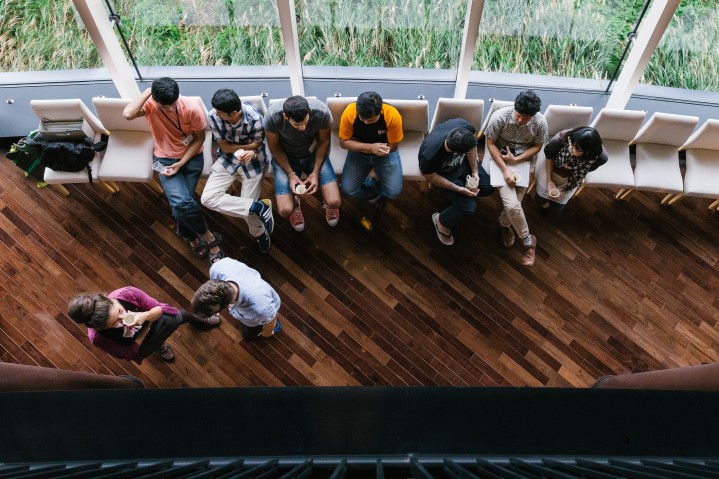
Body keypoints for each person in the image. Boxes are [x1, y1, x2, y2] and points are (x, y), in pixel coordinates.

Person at [123, 77, 225, 263]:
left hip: (191, 158)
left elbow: (199, 140)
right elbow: (128, 114)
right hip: (164, 158)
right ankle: (209, 237)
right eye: (165, 106)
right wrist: (149, 91)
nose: (170, 109)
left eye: (173, 104)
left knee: (180, 206)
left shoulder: (192, 108)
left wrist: (181, 162)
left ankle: (189, 236)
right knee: (182, 203)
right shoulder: (151, 105)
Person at [201, 89, 275, 253]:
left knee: (246, 213)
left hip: (253, 161)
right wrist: (249, 146)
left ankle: (259, 233)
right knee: (207, 199)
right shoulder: (213, 116)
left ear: (234, 112)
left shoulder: (255, 118)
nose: (217, 114)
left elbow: (257, 145)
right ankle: (259, 207)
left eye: (221, 113)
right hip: (227, 160)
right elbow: (225, 147)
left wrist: (251, 151)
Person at [68, 286, 219, 363]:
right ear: (103, 327)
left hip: (151, 318)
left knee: (181, 316)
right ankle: (159, 347)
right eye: (115, 322)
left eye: (120, 310)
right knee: (153, 344)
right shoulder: (98, 338)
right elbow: (128, 354)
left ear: (110, 300)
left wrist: (145, 315)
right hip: (138, 343)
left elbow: (159, 308)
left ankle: (200, 320)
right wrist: (147, 327)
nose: (123, 317)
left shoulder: (127, 294)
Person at [485, 90, 548, 267]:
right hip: (500, 160)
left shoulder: (540, 123)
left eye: (526, 118)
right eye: (519, 116)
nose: (520, 120)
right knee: (513, 205)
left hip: (523, 163)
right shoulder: (500, 117)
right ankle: (528, 241)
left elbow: (537, 146)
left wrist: (517, 159)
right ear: (514, 107)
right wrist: (505, 168)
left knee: (514, 206)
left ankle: (503, 224)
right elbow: (490, 143)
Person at [263, 96, 341, 231]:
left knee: (334, 202)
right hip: (286, 157)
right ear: (285, 116)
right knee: (284, 210)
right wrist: (291, 174)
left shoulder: (322, 112)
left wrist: (315, 172)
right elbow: (274, 147)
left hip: (313, 155)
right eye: (297, 125)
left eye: (305, 122)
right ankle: (295, 204)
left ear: (309, 112)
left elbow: (324, 141)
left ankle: (326, 203)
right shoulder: (272, 117)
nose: (303, 128)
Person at [419, 118, 494, 245]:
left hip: (463, 165)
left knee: (488, 187)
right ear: (456, 153)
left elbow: (472, 148)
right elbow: (431, 177)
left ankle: (460, 197)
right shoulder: (429, 155)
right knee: (468, 208)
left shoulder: (465, 127)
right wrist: (458, 189)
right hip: (444, 175)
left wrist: (475, 172)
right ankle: (441, 220)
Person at [338, 91, 403, 210]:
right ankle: (377, 195)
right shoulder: (350, 112)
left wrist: (379, 151)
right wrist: (370, 148)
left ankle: (369, 185)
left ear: (380, 110)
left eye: (370, 120)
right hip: (358, 151)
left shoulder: (392, 115)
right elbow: (343, 142)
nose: (365, 122)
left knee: (394, 193)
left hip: (385, 153)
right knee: (347, 190)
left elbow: (394, 146)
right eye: (362, 118)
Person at [192, 257, 281, 341]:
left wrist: (267, 332)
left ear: (227, 305)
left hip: (261, 315)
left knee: (248, 335)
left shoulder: (261, 308)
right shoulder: (216, 268)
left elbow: (271, 319)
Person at [535, 126, 607, 214]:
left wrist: (565, 188)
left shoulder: (600, 158)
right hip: (551, 162)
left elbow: (584, 172)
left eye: (576, 148)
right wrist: (550, 181)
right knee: (540, 199)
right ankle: (544, 205)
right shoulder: (560, 140)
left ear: (587, 153)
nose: (570, 148)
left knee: (557, 208)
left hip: (573, 174)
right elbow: (549, 157)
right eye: (571, 143)